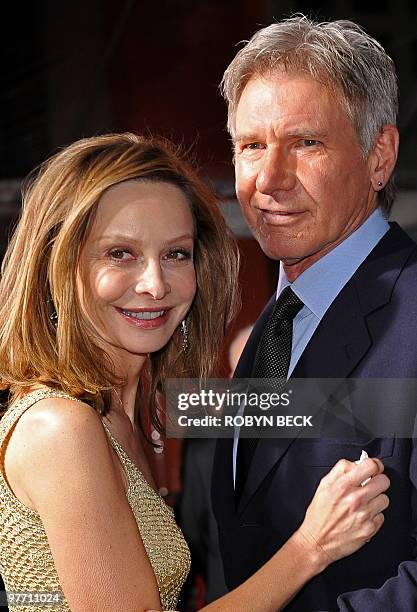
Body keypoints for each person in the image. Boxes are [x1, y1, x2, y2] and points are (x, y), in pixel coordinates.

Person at [0, 133, 389, 612]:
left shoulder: (125, 416)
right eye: (120, 253)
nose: (155, 284)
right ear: (59, 266)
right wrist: (312, 547)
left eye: (176, 254)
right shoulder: (60, 427)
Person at [212, 14, 417, 611]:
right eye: (252, 146)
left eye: (306, 143)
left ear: (379, 157)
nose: (269, 180)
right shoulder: (271, 328)